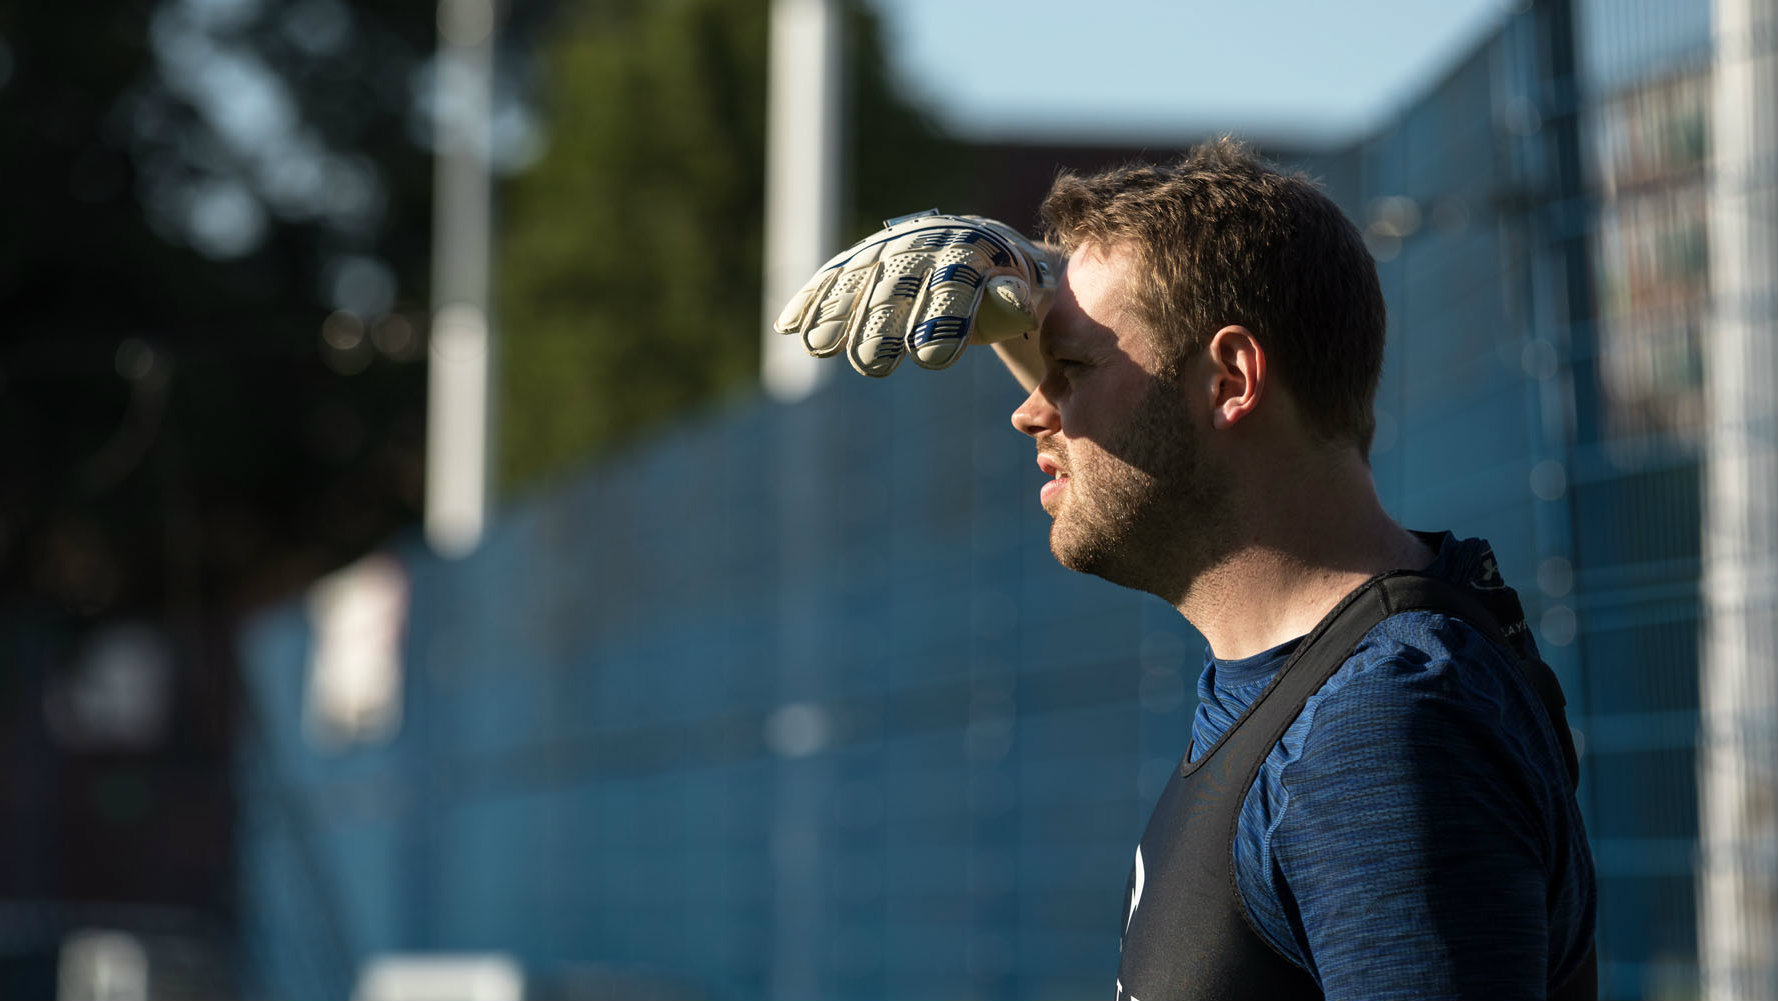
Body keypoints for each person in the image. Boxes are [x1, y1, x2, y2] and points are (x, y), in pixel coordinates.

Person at [775, 138, 1597, 1001]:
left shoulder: (1383, 732)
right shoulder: (1311, 690)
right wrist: (1040, 286)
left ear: (1231, 378)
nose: (1029, 412)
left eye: (1074, 369)